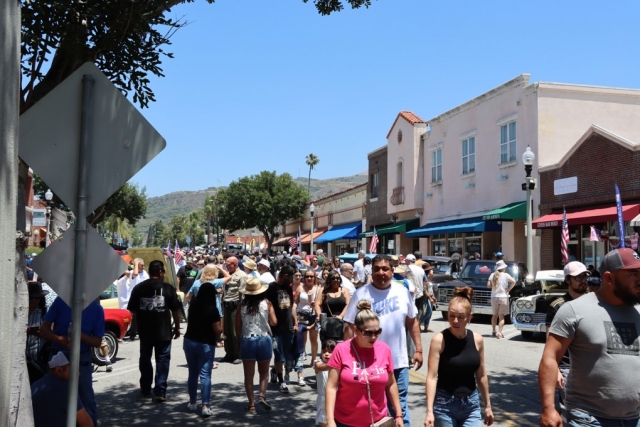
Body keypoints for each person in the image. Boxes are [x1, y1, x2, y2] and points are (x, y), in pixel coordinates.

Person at [539, 248, 640, 427]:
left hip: (635, 418)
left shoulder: (638, 312)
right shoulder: (573, 310)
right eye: (633, 273)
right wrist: (548, 408)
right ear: (609, 278)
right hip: (589, 418)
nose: (639, 278)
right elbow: (550, 357)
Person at [343, 255, 423, 427]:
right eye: (377, 269)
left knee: (399, 408)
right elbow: (349, 326)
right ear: (371, 272)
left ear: (392, 271)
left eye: (385, 269)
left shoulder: (402, 292)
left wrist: (418, 349)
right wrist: (345, 357)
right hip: (368, 364)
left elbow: (412, 321)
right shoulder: (361, 293)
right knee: (371, 408)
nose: (381, 272)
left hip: (398, 362)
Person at [326, 300, 404, 427]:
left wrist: (399, 414)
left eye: (377, 332)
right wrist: (330, 420)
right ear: (356, 330)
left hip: (379, 421)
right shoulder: (341, 350)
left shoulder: (384, 349)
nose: (373, 337)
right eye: (368, 333)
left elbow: (391, 383)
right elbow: (331, 386)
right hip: (346, 422)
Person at [424, 287, 494, 427]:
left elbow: (481, 375)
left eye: (461, 317)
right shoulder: (439, 339)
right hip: (445, 405)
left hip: (471, 404)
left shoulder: (477, 339)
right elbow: (431, 377)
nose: (455, 320)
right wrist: (429, 411)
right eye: (451, 316)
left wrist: (487, 406)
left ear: (469, 317)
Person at [40, 296, 104, 426]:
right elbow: (44, 327)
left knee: (86, 401)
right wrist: (58, 339)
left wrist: (80, 335)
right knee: (53, 398)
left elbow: (98, 341)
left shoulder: (96, 308)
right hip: (58, 358)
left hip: (82, 360)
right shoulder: (61, 301)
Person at [127, 260, 182, 402]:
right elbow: (175, 311)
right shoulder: (168, 288)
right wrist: (177, 327)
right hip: (163, 331)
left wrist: (134, 327)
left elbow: (132, 311)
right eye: (163, 271)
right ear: (160, 272)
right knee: (162, 360)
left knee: (145, 359)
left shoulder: (139, 288)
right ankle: (160, 391)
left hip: (145, 331)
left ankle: (145, 388)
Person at [544, 261, 589, 424]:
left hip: (591, 366)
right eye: (578, 277)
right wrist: (555, 371)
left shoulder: (594, 302)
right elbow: (550, 342)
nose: (583, 280)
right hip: (567, 367)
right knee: (572, 413)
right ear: (568, 280)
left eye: (585, 276)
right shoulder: (558, 306)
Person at [236, 278, 277, 413]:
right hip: (264, 339)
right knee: (264, 372)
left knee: (248, 374)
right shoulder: (267, 303)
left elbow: (238, 326)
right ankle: (262, 395)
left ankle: (251, 404)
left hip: (247, 340)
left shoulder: (241, 305)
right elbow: (274, 322)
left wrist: (238, 342)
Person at [183, 282, 222, 417]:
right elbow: (218, 329)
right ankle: (205, 405)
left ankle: (193, 402)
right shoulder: (212, 309)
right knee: (205, 375)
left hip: (189, 341)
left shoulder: (193, 305)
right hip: (206, 343)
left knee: (192, 373)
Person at [31, 352, 94, 427]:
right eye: (74, 370)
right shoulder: (65, 389)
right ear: (59, 370)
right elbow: (87, 424)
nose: (78, 373)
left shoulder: (35, 385)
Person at [265, 263, 296, 393]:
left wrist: (296, 322)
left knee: (288, 355)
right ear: (285, 276)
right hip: (275, 328)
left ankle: (274, 370)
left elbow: (291, 307)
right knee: (279, 355)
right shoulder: (270, 288)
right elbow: (266, 308)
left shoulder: (288, 288)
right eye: (291, 278)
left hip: (288, 326)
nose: (292, 281)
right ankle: (281, 381)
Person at [294, 269, 321, 377]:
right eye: (307, 276)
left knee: (313, 339)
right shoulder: (300, 288)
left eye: (311, 276)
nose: (309, 278)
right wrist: (295, 316)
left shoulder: (318, 289)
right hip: (302, 315)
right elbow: (296, 303)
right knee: (302, 339)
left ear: (314, 278)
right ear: (304, 278)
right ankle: (301, 360)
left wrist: (316, 307)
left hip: (314, 315)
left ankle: (313, 360)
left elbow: (321, 304)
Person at [221, 256, 247, 364]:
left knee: (235, 331)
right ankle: (229, 353)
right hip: (226, 305)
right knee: (226, 331)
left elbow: (244, 293)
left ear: (235, 264)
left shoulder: (242, 275)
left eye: (228, 264)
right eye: (226, 264)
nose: (226, 266)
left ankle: (237, 354)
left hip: (235, 306)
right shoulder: (228, 275)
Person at [26, 281, 49, 384]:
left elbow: (52, 334)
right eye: (31, 298)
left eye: (37, 298)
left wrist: (40, 332)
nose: (34, 301)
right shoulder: (18, 312)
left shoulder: (44, 313)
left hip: (38, 360)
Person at [487, 260, 515, 339]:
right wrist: (509, 289)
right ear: (503, 268)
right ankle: (499, 333)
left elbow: (488, 285)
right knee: (501, 316)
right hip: (503, 296)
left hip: (494, 297)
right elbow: (513, 282)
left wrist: (494, 284)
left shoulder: (492, 275)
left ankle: (493, 330)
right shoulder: (506, 275)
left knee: (494, 315)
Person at [314, 339, 337, 427]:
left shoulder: (338, 366)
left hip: (337, 397)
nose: (326, 354)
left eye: (330, 352)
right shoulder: (317, 363)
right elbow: (320, 367)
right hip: (323, 398)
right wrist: (338, 361)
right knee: (325, 422)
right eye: (324, 351)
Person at [421, 263, 436, 333]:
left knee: (429, 313)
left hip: (430, 296)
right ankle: (418, 323)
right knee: (428, 312)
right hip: (426, 297)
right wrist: (430, 297)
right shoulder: (424, 278)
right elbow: (424, 289)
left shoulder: (428, 277)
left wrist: (433, 296)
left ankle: (426, 327)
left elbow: (430, 288)